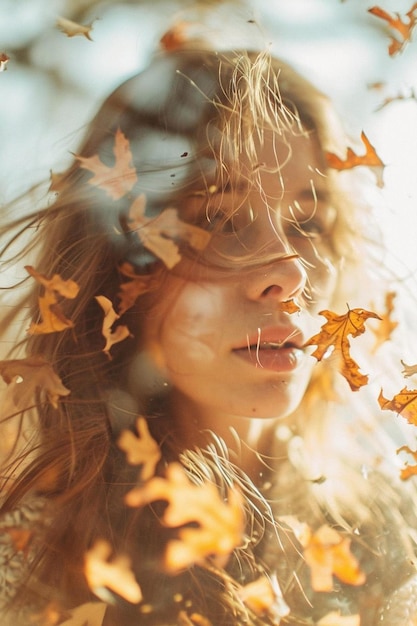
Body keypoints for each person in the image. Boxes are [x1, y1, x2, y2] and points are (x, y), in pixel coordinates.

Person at [1, 22, 417, 626]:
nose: (291, 275)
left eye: (309, 223)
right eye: (220, 220)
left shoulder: (394, 548)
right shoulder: (28, 564)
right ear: (119, 268)